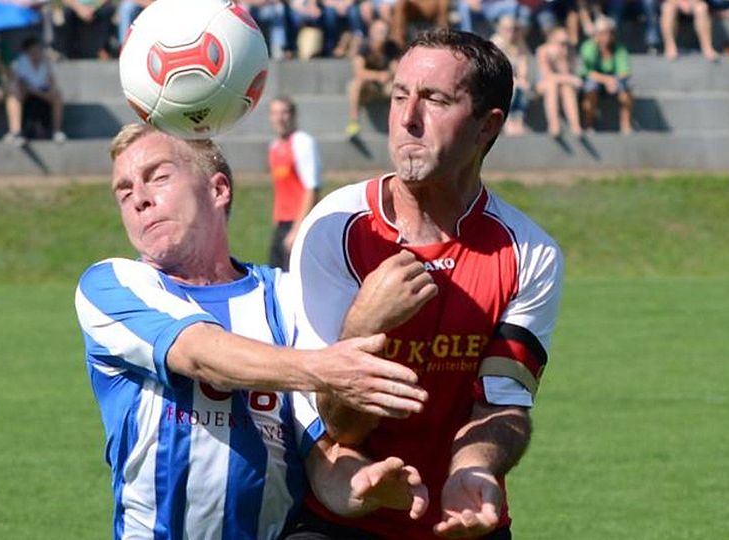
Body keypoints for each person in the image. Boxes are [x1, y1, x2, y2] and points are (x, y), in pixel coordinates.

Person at [75, 123, 432, 540]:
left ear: (218, 189)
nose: (139, 198)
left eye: (158, 177)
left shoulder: (286, 297)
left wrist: (360, 486)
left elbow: (319, 455)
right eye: (124, 191)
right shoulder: (111, 285)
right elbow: (200, 353)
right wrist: (328, 368)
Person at [284, 28, 564, 539]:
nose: (407, 118)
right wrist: (364, 326)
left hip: (465, 519)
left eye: (435, 100)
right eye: (399, 96)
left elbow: (502, 404)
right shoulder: (335, 227)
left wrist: (473, 469)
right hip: (342, 516)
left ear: (487, 126)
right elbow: (337, 425)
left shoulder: (529, 253)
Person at [267, 95, 322, 270]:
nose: (280, 118)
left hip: (297, 222)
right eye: (275, 113)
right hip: (282, 224)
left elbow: (312, 188)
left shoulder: (302, 142)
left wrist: (297, 229)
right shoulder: (274, 146)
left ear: (293, 115)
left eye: (284, 113)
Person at [345, 17, 400, 139]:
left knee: (397, 88)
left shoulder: (391, 47)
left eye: (385, 31)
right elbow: (359, 72)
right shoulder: (364, 46)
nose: (383, 34)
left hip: (385, 85)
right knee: (356, 84)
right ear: (371, 32)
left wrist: (389, 74)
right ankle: (353, 121)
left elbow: (396, 69)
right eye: (380, 31)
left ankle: (396, 124)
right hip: (368, 86)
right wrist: (378, 76)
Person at [6, 36, 66, 144]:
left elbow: (52, 83)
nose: (36, 52)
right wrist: (37, 92)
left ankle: (57, 131)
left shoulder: (46, 63)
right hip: (27, 93)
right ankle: (16, 132)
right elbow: (22, 84)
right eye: (33, 50)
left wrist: (42, 92)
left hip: (41, 93)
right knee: (13, 97)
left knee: (57, 95)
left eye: (38, 49)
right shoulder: (21, 62)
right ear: (27, 52)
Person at [578, 16, 632, 134]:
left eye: (609, 33)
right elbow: (587, 72)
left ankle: (626, 125)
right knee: (591, 88)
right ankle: (588, 124)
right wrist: (607, 80)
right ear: (596, 34)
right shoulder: (588, 47)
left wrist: (613, 80)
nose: (606, 37)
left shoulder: (619, 48)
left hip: (613, 81)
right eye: (602, 33)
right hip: (594, 81)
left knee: (625, 90)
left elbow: (624, 71)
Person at [535, 26, 582, 136]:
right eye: (561, 43)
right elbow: (547, 76)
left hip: (562, 85)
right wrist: (570, 79)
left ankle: (575, 125)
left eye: (566, 43)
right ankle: (554, 125)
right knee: (552, 86)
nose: (564, 46)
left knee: (567, 88)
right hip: (543, 84)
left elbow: (568, 74)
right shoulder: (542, 51)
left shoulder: (568, 52)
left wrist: (562, 60)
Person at [490, 15, 529, 136]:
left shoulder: (519, 44)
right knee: (513, 87)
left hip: (514, 79)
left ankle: (518, 120)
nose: (512, 32)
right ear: (500, 29)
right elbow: (495, 68)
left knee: (522, 87)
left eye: (514, 29)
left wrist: (522, 78)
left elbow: (523, 64)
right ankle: (508, 120)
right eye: (508, 29)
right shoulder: (496, 43)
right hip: (497, 80)